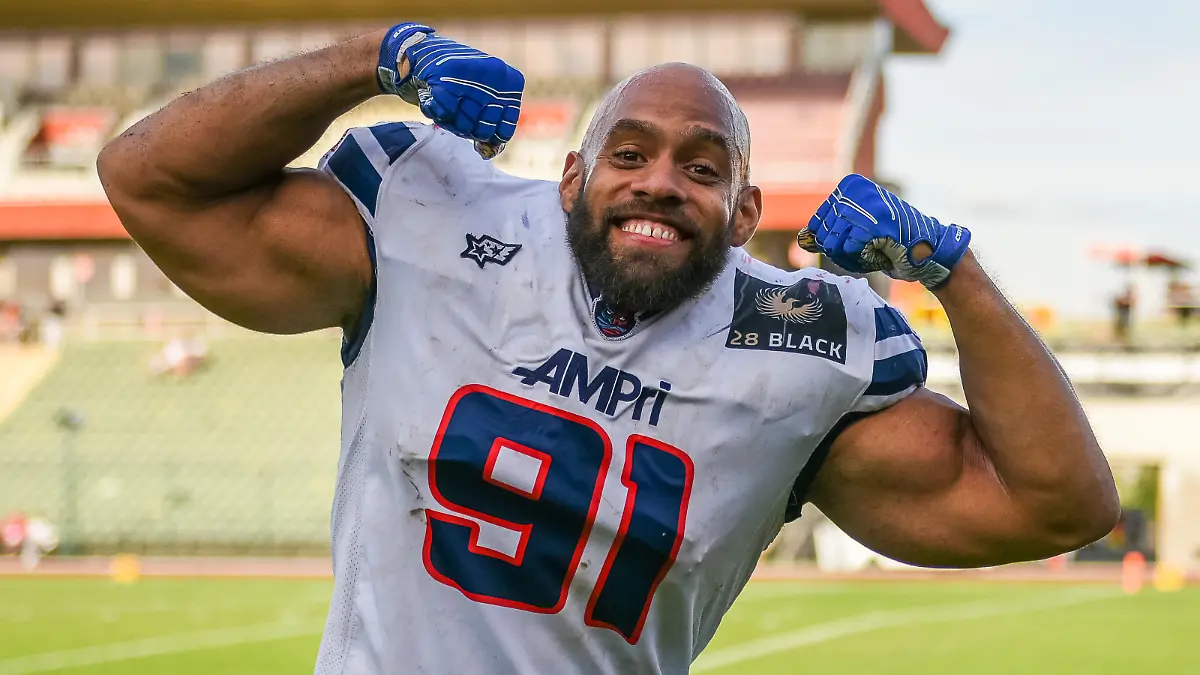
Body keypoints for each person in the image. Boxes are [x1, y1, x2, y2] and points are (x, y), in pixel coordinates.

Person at [97, 24, 1119, 675]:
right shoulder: (434, 230)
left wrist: (955, 273)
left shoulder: (797, 354)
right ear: (571, 177)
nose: (660, 181)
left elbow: (1058, 504)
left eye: (703, 168)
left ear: (745, 214)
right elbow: (150, 180)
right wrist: (373, 55)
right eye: (629, 153)